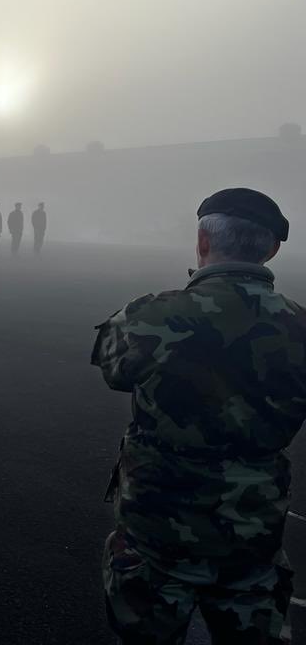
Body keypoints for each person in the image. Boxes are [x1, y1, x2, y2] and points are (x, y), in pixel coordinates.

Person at [93, 188, 305, 644]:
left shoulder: (151, 316)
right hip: (252, 525)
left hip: (158, 524)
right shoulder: (300, 326)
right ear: (271, 248)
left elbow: (114, 371)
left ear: (203, 243)